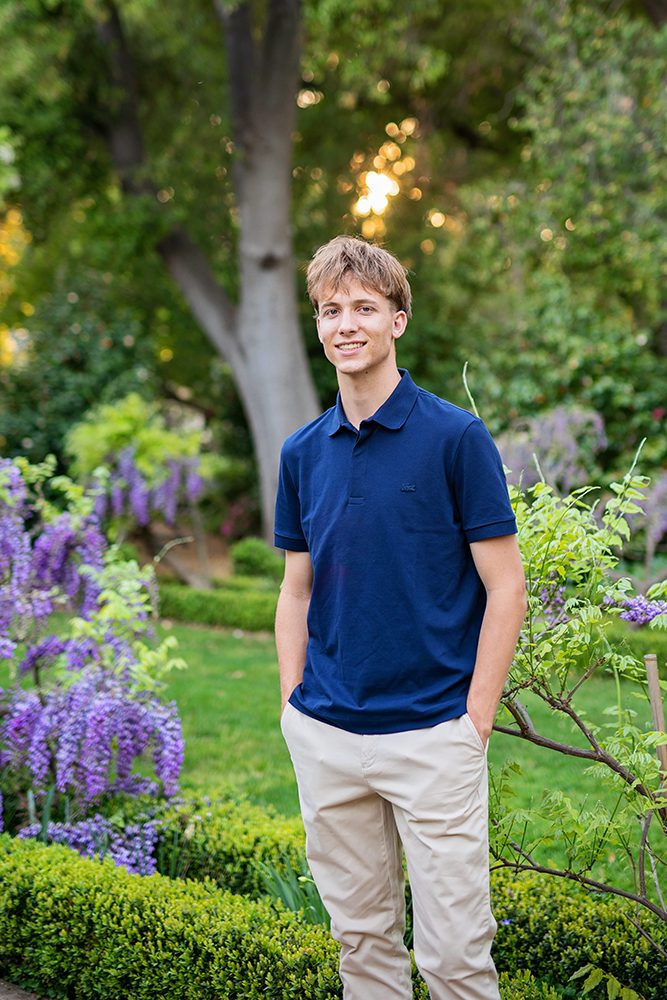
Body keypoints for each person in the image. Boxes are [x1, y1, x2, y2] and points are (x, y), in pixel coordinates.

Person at [274, 235, 527, 1000]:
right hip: (327, 734)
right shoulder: (301, 452)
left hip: (431, 737)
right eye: (330, 310)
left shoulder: (454, 438)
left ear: (397, 321)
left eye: (363, 308)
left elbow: (505, 587)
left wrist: (473, 720)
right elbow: (295, 589)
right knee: (362, 949)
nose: (345, 324)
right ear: (317, 326)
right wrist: (293, 706)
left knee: (454, 960)